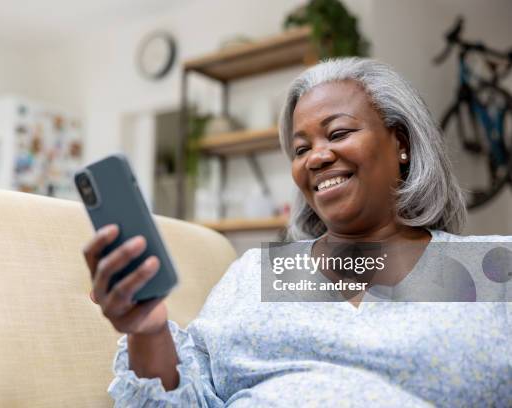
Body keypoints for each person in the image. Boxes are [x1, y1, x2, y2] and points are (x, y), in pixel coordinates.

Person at [83, 58, 512, 407]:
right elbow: (184, 398)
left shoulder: (489, 269)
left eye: (339, 133)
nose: (316, 158)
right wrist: (148, 330)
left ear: (400, 143)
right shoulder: (265, 271)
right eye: (301, 148)